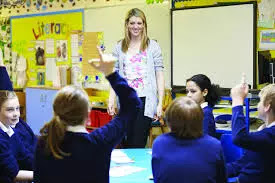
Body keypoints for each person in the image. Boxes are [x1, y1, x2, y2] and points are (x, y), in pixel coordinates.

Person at [33, 48, 141, 183]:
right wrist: (110, 73)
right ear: (88, 116)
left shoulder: (44, 144)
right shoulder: (99, 142)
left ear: (56, 112)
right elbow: (132, 104)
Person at [108, 8, 165, 148]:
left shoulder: (153, 46)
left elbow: (160, 74)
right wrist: (111, 99)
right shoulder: (119, 47)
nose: (136, 27)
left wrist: (160, 103)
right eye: (132, 23)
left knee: (138, 142)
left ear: (144, 25)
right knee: (124, 142)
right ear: (127, 24)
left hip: (145, 101)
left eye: (139, 23)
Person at [152, 97, 226, 183]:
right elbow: (222, 179)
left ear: (169, 121)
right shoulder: (214, 145)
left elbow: (158, 177)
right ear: (200, 119)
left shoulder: (159, 143)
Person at [227, 82, 275, 183]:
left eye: (260, 101)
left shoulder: (270, 134)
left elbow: (239, 137)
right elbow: (244, 162)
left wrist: (237, 101)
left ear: (267, 106)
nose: (258, 104)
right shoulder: (265, 132)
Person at [0, 60, 36, 182]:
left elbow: (25, 156)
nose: (16, 114)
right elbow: (14, 174)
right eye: (10, 110)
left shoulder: (11, 129)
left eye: (17, 109)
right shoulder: (1, 138)